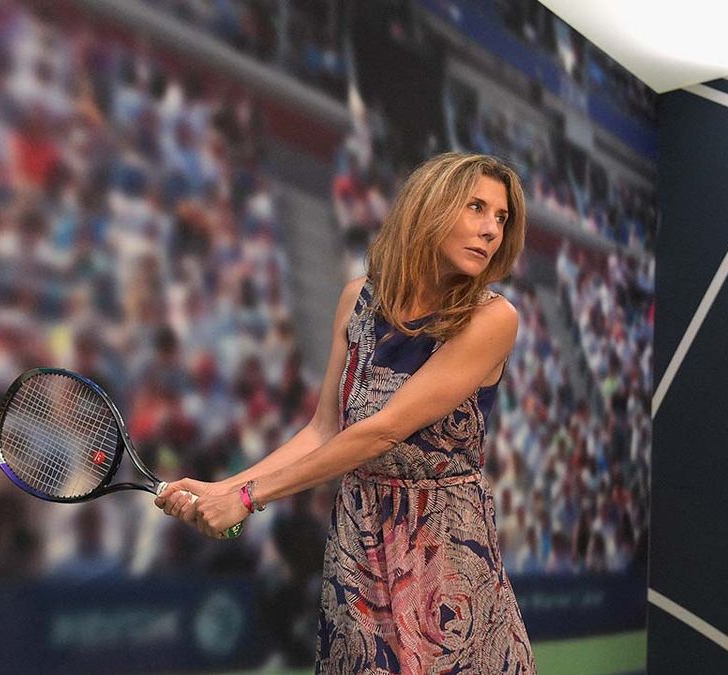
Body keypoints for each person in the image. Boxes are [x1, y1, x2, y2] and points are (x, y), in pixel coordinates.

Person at [156, 152, 537, 673]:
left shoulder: (494, 318)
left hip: (446, 560)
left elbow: (384, 430)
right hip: (358, 544)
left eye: (501, 217)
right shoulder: (356, 300)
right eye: (476, 207)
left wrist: (247, 497)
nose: (491, 229)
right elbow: (323, 430)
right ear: (430, 205)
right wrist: (224, 489)